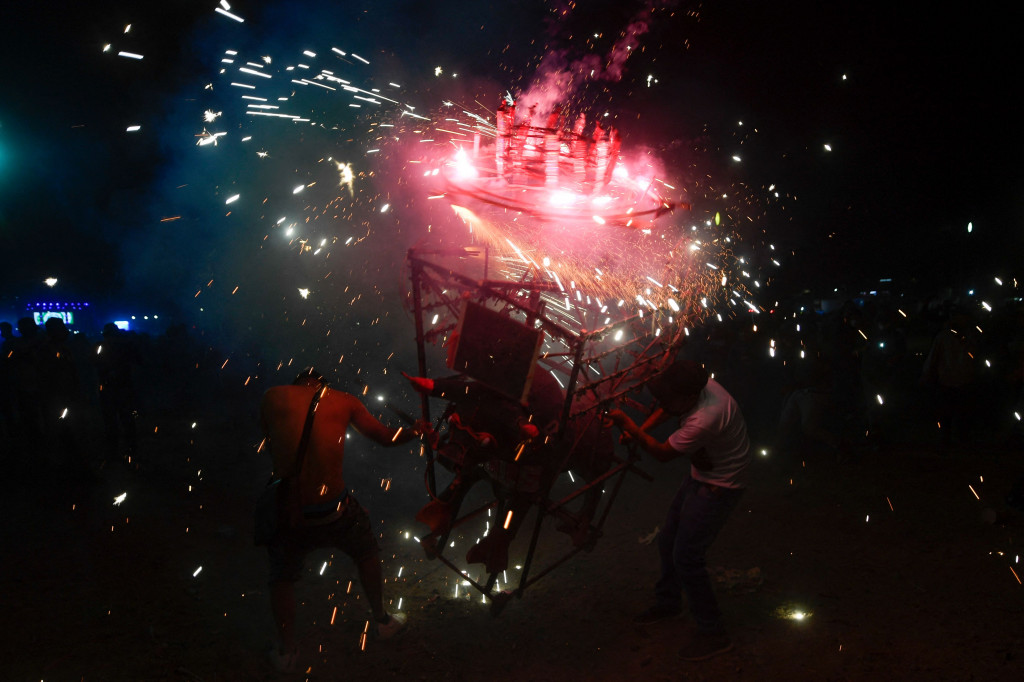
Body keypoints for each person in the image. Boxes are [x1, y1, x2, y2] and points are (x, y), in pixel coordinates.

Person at [257, 367, 423, 672]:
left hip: (289, 512)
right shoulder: (343, 399)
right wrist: (417, 431)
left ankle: (287, 652)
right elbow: (386, 438)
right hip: (332, 510)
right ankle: (383, 621)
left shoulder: (273, 395)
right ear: (322, 384)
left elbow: (270, 441)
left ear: (298, 383)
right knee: (366, 550)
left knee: (280, 577)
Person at [604, 359, 750, 662]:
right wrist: (640, 430)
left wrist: (629, 425)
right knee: (668, 540)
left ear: (686, 397)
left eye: (670, 399)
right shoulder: (698, 386)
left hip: (720, 484)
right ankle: (670, 603)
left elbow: (662, 454)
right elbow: (668, 408)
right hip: (704, 474)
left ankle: (714, 634)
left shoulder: (706, 417)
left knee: (687, 557)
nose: (664, 404)